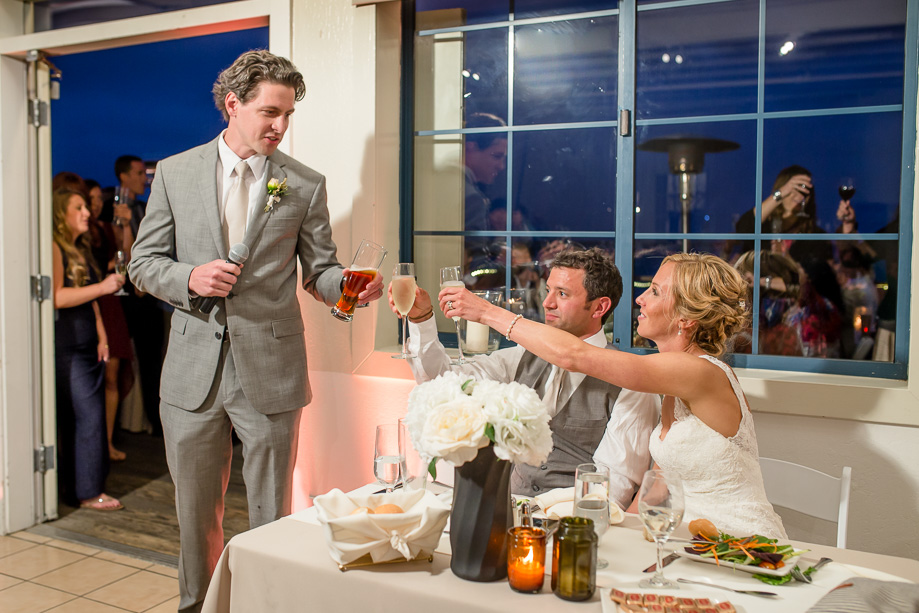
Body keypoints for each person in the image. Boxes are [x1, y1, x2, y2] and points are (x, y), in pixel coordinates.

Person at [127, 49, 384, 613]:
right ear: (232, 105)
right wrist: (189, 276)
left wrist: (348, 286)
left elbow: (320, 271)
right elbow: (142, 265)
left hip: (270, 372)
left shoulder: (304, 184)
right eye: (270, 112)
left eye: (288, 114)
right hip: (191, 376)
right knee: (196, 519)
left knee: (273, 517)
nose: (280, 126)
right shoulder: (174, 172)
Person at [441, 252, 787, 539]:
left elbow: (574, 356)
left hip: (739, 544)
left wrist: (486, 312)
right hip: (688, 540)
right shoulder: (672, 382)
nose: (640, 298)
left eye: (654, 291)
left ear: (685, 317)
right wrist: (621, 536)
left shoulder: (699, 372)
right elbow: (656, 488)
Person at [390, 248, 659, 509]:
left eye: (562, 294)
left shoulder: (631, 383)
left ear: (600, 307)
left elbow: (613, 488)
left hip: (573, 525)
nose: (547, 302)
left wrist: (545, 513)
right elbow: (443, 382)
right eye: (549, 289)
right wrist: (422, 319)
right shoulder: (523, 356)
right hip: (505, 515)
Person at [52, 187, 126, 512]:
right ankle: (87, 490)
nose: (87, 212)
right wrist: (104, 286)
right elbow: (56, 297)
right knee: (88, 417)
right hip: (66, 346)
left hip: (85, 342)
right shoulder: (54, 248)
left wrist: (101, 335)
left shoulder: (79, 248)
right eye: (79, 207)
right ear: (61, 215)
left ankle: (84, 486)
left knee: (87, 417)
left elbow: (90, 301)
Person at [86, 178, 135, 461]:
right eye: (89, 199)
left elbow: (125, 255)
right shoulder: (72, 233)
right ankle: (92, 445)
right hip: (91, 297)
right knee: (93, 375)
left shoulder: (104, 228)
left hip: (110, 301)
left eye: (96, 199)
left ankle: (106, 442)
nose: (94, 204)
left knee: (113, 374)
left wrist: (126, 224)